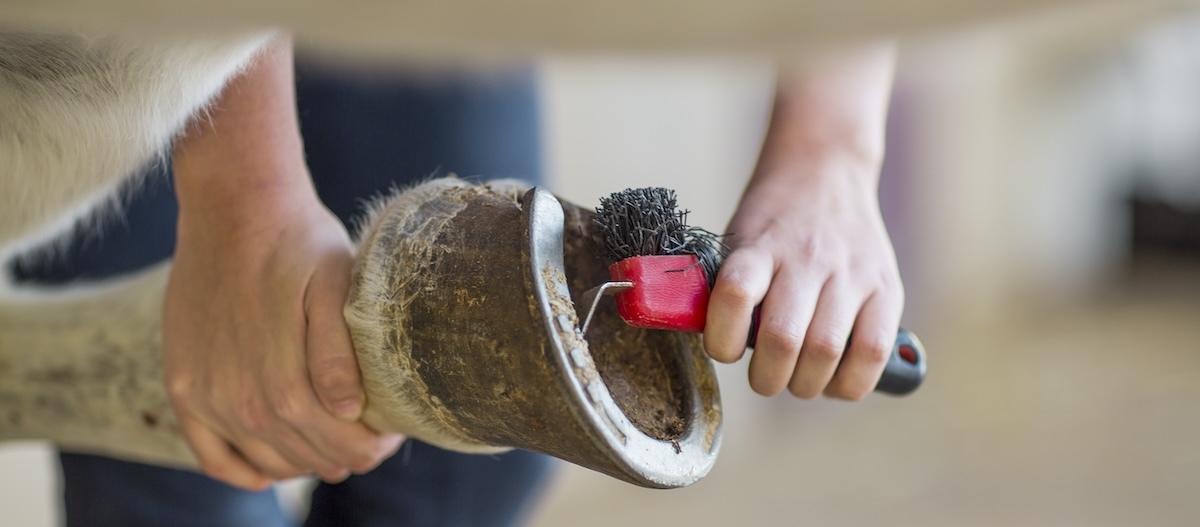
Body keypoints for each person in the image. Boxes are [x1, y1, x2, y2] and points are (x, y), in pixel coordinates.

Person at [17, 34, 903, 525]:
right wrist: (240, 195)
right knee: (194, 452)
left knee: (466, 465)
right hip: (136, 38)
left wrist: (828, 150)